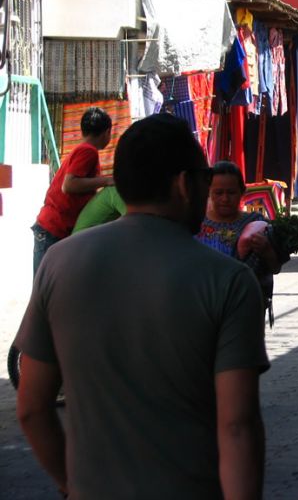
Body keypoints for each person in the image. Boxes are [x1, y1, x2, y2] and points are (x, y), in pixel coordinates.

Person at [14, 114, 268, 499]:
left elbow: (32, 408)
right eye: (205, 178)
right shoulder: (229, 282)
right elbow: (238, 426)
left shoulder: (59, 263)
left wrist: (72, 483)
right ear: (184, 184)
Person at [196, 161, 288, 323]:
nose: (225, 198)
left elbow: (275, 267)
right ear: (208, 192)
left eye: (231, 192)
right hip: (202, 311)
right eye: (218, 193)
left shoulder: (257, 224)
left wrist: (266, 249)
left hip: (245, 313)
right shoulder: (195, 224)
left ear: (242, 192)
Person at [31, 106, 114, 274]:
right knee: (46, 289)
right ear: (107, 132)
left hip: (52, 228)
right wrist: (107, 180)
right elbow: (69, 185)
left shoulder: (80, 149)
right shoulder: (88, 151)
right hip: (53, 228)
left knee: (48, 287)